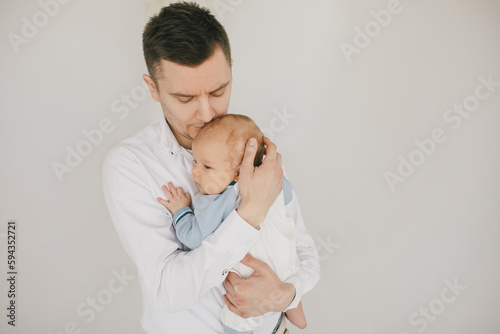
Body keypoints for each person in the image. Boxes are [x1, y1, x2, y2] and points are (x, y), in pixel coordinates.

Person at [102, 2, 320, 333]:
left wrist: (284, 296)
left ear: (231, 69)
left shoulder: (251, 145)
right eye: (186, 99)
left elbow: (301, 246)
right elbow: (169, 291)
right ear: (152, 88)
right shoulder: (130, 166)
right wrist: (251, 212)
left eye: (218, 91)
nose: (207, 113)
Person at [156, 114, 308, 333]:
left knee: (236, 315)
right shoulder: (273, 180)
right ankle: (297, 312)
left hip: (251, 278)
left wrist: (181, 211)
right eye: (195, 162)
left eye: (207, 167)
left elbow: (193, 238)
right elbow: (287, 195)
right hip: (287, 265)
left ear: (238, 172)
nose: (195, 172)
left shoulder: (217, 201)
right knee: (288, 276)